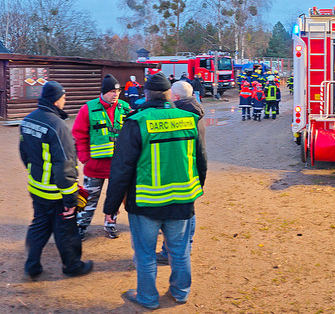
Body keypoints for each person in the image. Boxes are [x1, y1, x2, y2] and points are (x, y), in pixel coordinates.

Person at [104, 72, 207, 309]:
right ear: (169, 94)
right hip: (182, 200)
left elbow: (121, 169)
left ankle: (148, 298)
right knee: (180, 252)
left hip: (146, 203)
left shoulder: (136, 122)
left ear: (146, 94)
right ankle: (180, 293)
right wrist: (195, 189)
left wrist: (111, 207)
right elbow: (201, 160)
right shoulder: (188, 119)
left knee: (146, 254)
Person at [19, 81, 93, 278]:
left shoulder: (28, 120)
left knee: (39, 225)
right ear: (57, 99)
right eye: (64, 97)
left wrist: (34, 172)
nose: (65, 100)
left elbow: (23, 152)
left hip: (36, 187)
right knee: (66, 230)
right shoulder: (57, 126)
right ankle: (73, 266)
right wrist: (70, 198)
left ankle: (32, 265)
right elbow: (65, 165)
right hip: (56, 191)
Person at [72, 74, 131, 240]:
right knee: (89, 198)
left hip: (118, 165)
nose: (115, 94)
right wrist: (85, 158)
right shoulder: (88, 108)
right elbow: (79, 134)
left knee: (115, 197)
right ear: (104, 92)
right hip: (95, 165)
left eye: (118, 91)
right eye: (112, 91)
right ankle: (81, 225)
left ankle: (110, 224)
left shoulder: (125, 108)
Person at [156, 80, 207, 266]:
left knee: (177, 215)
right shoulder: (196, 111)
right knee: (188, 211)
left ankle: (169, 251)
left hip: (181, 171)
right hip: (191, 172)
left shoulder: (182, 115)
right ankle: (185, 247)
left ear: (175, 96)